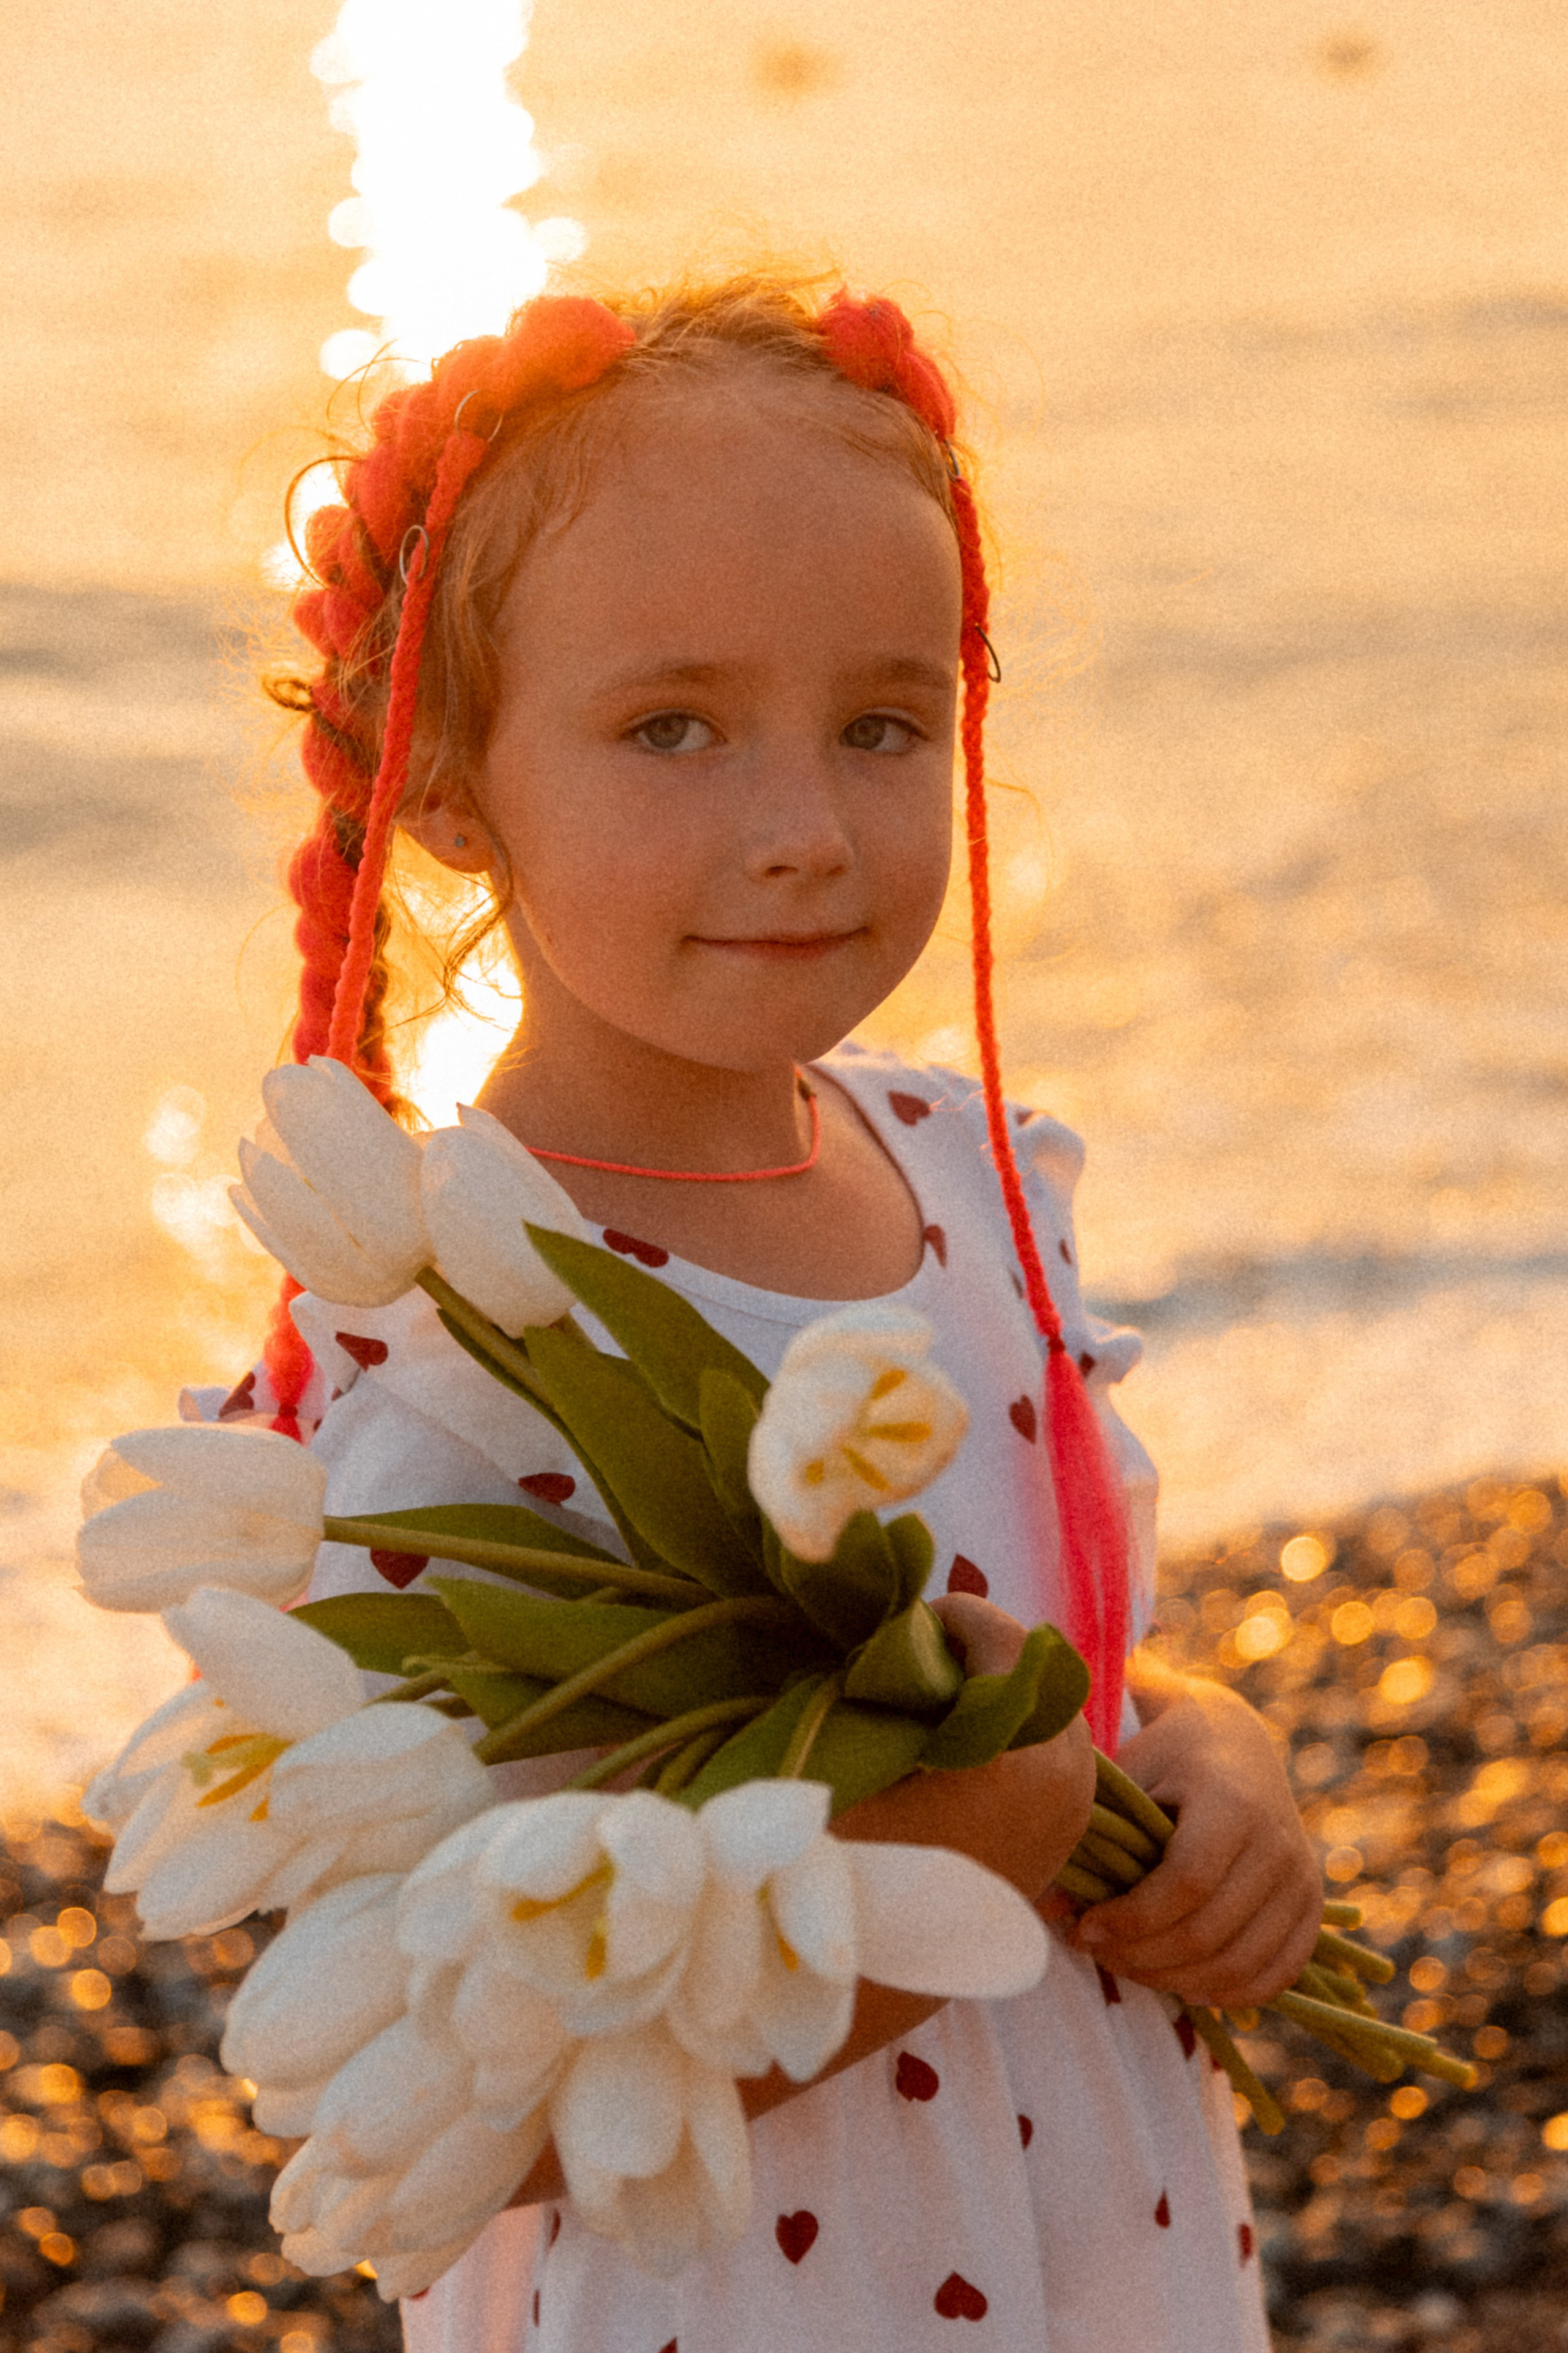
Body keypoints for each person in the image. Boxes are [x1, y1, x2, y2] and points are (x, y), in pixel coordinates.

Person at [222, 274, 1321, 2351]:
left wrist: (1218, 1760)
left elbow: (1077, 1649)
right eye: (672, 727)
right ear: (447, 780)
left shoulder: (977, 1176)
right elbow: (454, 2092)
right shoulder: (454, 1330)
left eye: (883, 723)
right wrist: (970, 1858)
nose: (807, 829)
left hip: (1112, 2237)